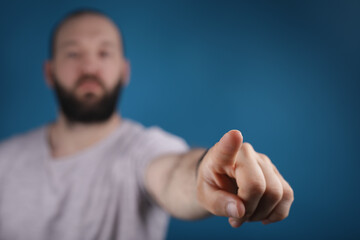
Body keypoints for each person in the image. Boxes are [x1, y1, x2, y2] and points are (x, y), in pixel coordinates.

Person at [0, 9, 294, 240]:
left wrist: (207, 173)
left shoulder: (143, 149)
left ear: (124, 71)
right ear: (49, 73)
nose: (89, 67)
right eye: (73, 53)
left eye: (104, 53)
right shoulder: (6, 158)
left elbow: (173, 173)